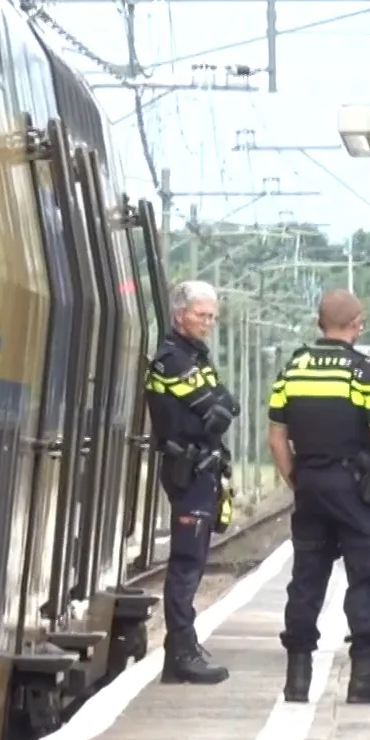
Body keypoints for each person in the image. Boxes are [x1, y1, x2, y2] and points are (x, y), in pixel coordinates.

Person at [266, 289, 370, 705]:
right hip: (355, 489)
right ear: (357, 325)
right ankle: (365, 675)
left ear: (319, 323)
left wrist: (297, 479)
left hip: (311, 485)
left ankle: (297, 680)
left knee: (307, 576)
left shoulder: (292, 369)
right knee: (368, 572)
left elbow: (277, 439)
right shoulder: (362, 371)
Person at [144, 280, 238, 685]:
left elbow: (227, 405)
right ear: (180, 313)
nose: (208, 323)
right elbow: (214, 408)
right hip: (189, 470)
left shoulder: (193, 357)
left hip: (203, 470)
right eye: (202, 315)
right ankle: (181, 652)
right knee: (185, 566)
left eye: (212, 316)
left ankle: (180, 650)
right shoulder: (172, 360)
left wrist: (220, 403)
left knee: (195, 563)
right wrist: (219, 403)